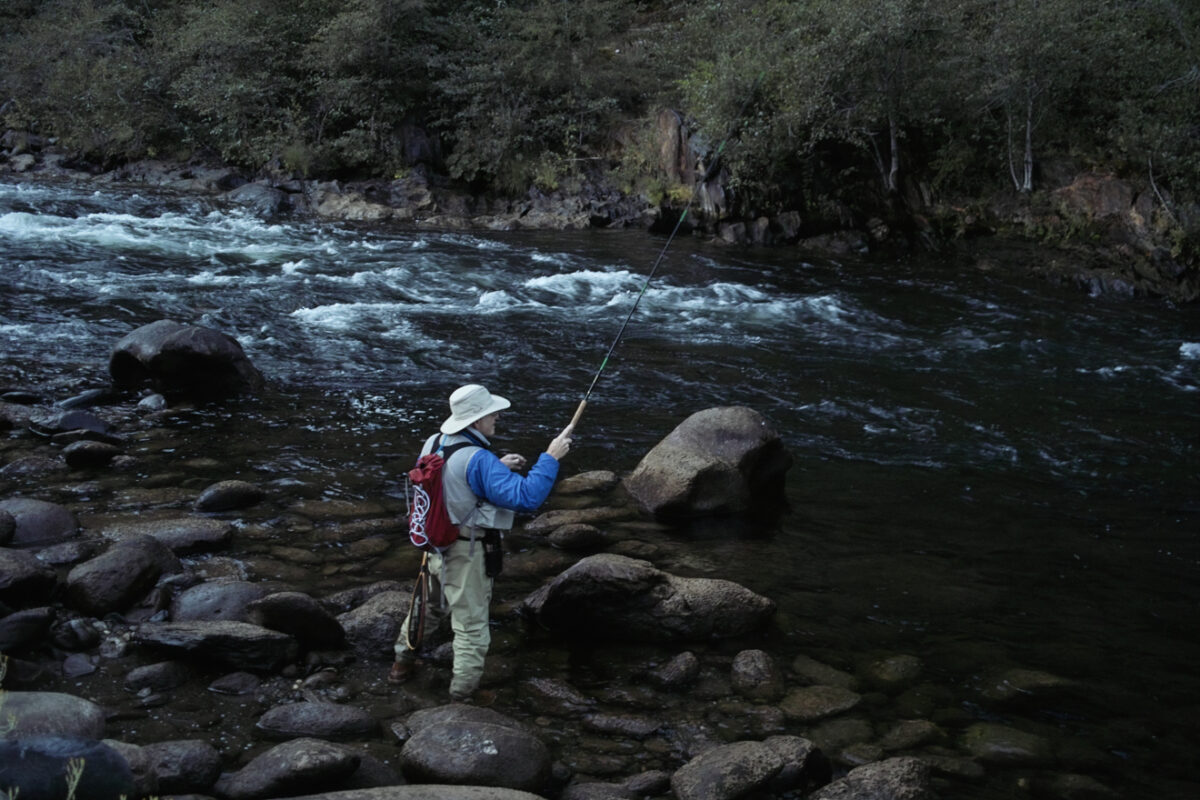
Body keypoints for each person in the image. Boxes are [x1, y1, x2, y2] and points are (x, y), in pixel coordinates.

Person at [389, 383, 573, 702]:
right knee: (471, 626)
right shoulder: (478, 459)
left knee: (426, 609)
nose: (497, 417)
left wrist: (496, 468)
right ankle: (462, 696)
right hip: (466, 552)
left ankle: (400, 666)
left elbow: (451, 480)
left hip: (435, 547)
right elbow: (527, 497)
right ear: (476, 421)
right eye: (492, 414)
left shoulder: (434, 441)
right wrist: (550, 457)